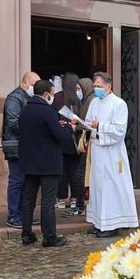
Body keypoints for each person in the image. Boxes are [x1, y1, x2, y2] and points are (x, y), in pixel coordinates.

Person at [18, 79, 74, 247]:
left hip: (29, 163)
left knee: (28, 199)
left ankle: (26, 234)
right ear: (45, 94)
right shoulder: (48, 111)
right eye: (51, 93)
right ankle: (49, 237)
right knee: (48, 202)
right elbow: (60, 135)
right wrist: (68, 128)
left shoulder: (26, 110)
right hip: (48, 164)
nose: (52, 96)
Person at [84, 72, 138, 238]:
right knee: (98, 187)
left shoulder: (118, 104)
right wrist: (81, 125)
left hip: (113, 153)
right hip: (98, 151)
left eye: (99, 86)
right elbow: (88, 121)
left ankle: (112, 224)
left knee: (111, 188)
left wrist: (99, 125)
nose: (96, 89)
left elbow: (119, 131)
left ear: (109, 86)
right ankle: (99, 222)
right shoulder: (94, 102)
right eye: (95, 86)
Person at [1, 71, 40, 229]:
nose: (35, 88)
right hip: (16, 145)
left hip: (25, 146)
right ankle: (13, 216)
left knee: (25, 182)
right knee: (17, 181)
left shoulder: (28, 97)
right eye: (33, 85)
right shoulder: (14, 98)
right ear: (24, 83)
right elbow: (13, 122)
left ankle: (24, 215)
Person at [66, 77, 95, 217]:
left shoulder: (91, 101)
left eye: (79, 89)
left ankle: (81, 205)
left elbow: (89, 126)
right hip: (86, 143)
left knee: (80, 175)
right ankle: (81, 205)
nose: (78, 92)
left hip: (88, 145)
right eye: (76, 89)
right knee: (81, 175)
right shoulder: (85, 102)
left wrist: (76, 125)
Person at [56, 72, 81, 210]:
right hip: (75, 140)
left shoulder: (57, 98)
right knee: (75, 171)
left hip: (61, 138)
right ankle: (74, 198)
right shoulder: (78, 99)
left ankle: (61, 199)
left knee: (61, 171)